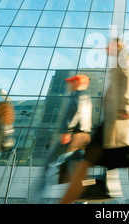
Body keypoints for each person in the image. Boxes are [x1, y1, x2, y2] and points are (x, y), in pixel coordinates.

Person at [60, 39, 129, 204]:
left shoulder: (124, 57)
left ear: (117, 45)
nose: (106, 48)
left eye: (109, 45)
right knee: (89, 165)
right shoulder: (122, 58)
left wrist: (125, 108)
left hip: (119, 123)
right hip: (114, 124)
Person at [30, 75, 93, 203]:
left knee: (49, 165)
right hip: (84, 137)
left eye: (71, 82)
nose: (69, 84)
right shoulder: (88, 98)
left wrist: (67, 131)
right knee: (77, 174)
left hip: (73, 136)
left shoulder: (78, 95)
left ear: (78, 83)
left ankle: (34, 200)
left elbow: (76, 111)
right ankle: (83, 201)